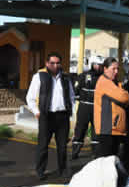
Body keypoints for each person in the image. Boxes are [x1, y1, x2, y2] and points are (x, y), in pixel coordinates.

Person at [25, 52, 75, 180]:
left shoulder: (65, 77)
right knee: (42, 146)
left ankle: (62, 170)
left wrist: (71, 111)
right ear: (47, 63)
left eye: (58, 63)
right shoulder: (39, 76)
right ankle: (40, 171)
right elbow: (30, 97)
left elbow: (71, 96)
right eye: (52, 63)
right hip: (46, 116)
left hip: (62, 117)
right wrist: (36, 112)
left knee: (62, 147)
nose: (55, 65)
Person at [94, 57, 129, 158]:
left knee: (112, 161)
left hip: (114, 129)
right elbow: (124, 97)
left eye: (117, 69)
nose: (116, 71)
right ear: (105, 69)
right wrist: (126, 94)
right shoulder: (105, 82)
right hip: (108, 129)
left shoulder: (114, 83)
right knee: (106, 162)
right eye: (113, 69)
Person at [71, 56, 103, 160]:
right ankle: (75, 152)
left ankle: (96, 153)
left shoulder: (103, 78)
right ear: (92, 64)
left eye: (101, 65)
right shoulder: (83, 76)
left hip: (97, 107)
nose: (99, 67)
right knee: (80, 129)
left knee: (97, 130)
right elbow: (75, 91)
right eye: (97, 64)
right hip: (84, 107)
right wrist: (81, 97)